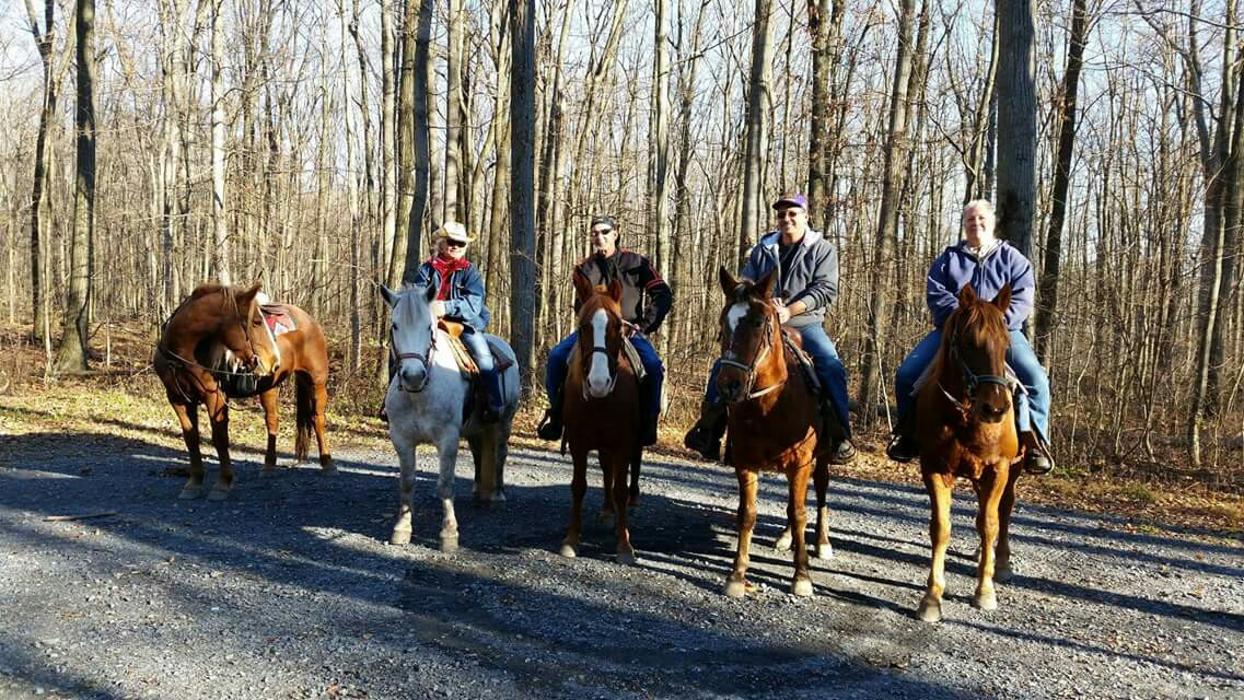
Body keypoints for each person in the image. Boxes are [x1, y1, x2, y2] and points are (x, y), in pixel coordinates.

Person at [683, 193, 855, 464]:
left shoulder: (822, 250)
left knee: (830, 364)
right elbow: (747, 282)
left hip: (804, 323)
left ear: (805, 216)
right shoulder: (764, 249)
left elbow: (825, 289)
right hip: (760, 322)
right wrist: (758, 300)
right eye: (781, 214)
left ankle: (839, 434)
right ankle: (709, 430)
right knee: (726, 363)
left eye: (792, 214)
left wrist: (790, 310)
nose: (786, 219)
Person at [886, 199, 1054, 474]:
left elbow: (1023, 298)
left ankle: (1034, 441)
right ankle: (908, 434)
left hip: (1003, 333)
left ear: (992, 222)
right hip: (954, 331)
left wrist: (993, 322)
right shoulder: (948, 260)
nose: (976, 224)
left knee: (1035, 380)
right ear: (964, 225)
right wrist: (965, 321)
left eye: (981, 218)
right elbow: (936, 294)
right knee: (907, 374)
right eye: (970, 220)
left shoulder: (1013, 260)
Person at [536, 215, 672, 446]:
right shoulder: (584, 268)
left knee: (652, 367)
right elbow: (580, 304)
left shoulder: (636, 262)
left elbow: (663, 294)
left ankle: (649, 422)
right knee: (557, 357)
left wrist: (643, 325)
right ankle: (557, 416)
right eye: (595, 233)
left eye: (605, 232)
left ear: (615, 233)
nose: (599, 237)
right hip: (593, 331)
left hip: (628, 330)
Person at [409, 221, 505, 423]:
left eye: (460, 243)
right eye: (451, 241)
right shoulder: (426, 269)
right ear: (442, 243)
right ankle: (391, 400)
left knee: (483, 357)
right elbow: (416, 295)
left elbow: (473, 304)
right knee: (403, 350)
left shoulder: (470, 272)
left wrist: (445, 307)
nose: (455, 246)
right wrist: (427, 308)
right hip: (430, 322)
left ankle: (494, 403)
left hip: (464, 324)